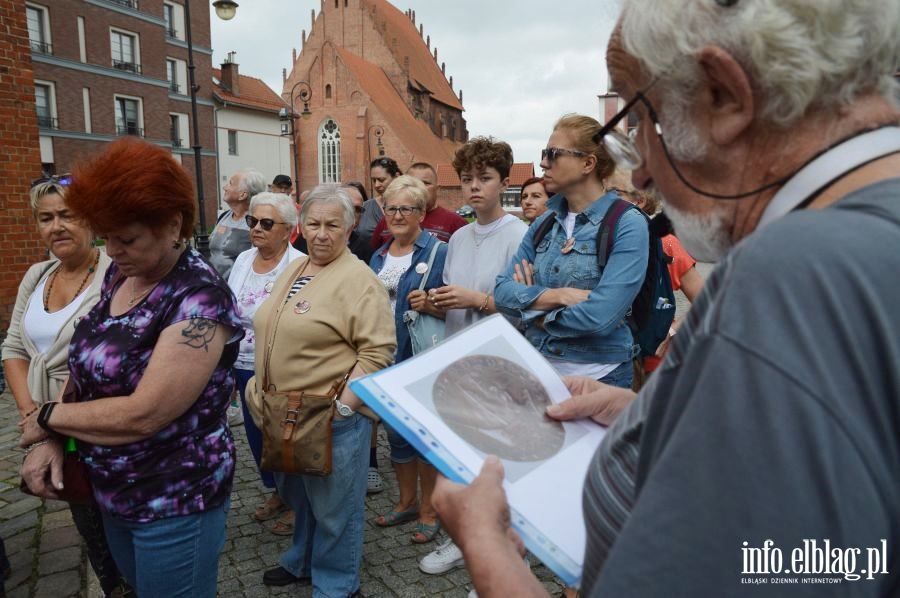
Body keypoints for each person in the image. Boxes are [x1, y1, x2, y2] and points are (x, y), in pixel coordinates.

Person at [434, 0, 900, 595]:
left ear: (725, 95)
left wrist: (486, 545)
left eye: (637, 119)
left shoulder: (787, 278)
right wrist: (661, 421)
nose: (643, 172)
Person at [18, 138, 242, 597]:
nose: (112, 250)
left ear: (173, 223)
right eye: (106, 236)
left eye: (127, 238)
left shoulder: (199, 297)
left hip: (175, 497)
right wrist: (55, 438)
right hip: (112, 490)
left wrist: (45, 418)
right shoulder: (125, 274)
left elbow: (147, 412)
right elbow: (83, 368)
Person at [247, 184, 395, 596]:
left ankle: (337, 584)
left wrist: (343, 409)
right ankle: (303, 562)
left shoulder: (359, 279)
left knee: (336, 510)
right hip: (285, 412)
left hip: (328, 416)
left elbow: (378, 353)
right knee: (304, 500)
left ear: (349, 230)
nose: (322, 233)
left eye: (333, 225)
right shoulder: (298, 268)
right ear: (301, 228)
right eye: (314, 224)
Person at [2, 176, 130, 597]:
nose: (56, 226)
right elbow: (14, 346)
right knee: (87, 521)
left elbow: (107, 360)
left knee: (116, 522)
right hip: (48, 419)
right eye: (46, 218)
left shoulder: (116, 273)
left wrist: (52, 426)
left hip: (96, 420)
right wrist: (32, 419)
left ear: (91, 220)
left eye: (67, 215)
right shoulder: (38, 274)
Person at [418, 137, 529, 571]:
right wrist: (435, 300)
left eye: (484, 178)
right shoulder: (459, 236)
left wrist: (477, 299)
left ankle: (498, 552)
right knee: (460, 456)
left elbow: (524, 304)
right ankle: (462, 540)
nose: (474, 187)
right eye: (467, 180)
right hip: (457, 358)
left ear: (503, 182)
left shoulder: (520, 235)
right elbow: (451, 291)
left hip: (502, 363)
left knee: (496, 464)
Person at [495, 114, 649, 390]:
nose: (543, 162)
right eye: (545, 153)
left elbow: (600, 316)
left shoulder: (627, 223)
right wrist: (558, 296)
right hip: (539, 370)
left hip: (601, 378)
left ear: (588, 163)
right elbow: (502, 293)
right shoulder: (545, 223)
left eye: (553, 154)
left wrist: (535, 314)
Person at [368, 175, 447, 542]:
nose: (397, 215)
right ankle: (406, 502)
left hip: (420, 354)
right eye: (391, 208)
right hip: (384, 353)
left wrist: (432, 303)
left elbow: (455, 306)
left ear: (421, 212)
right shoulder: (378, 253)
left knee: (425, 435)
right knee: (397, 434)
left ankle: (431, 511)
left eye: (406, 208)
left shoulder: (437, 251)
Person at [227, 192, 304, 538]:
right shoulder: (243, 259)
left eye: (266, 223)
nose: (256, 228)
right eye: (252, 221)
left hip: (280, 366)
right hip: (241, 362)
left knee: (284, 439)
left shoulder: (299, 265)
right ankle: (278, 493)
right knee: (258, 438)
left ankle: (298, 504)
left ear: (287, 229)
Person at [619, 187, 704, 376]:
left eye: (616, 193)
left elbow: (708, 299)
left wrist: (672, 330)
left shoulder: (665, 242)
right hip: (608, 358)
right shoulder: (601, 237)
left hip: (651, 358)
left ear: (639, 201)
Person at [370, 162, 468, 248]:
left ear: (437, 188)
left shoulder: (456, 223)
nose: (420, 188)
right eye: (413, 183)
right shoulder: (389, 221)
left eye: (426, 183)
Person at [210, 168, 266, 279]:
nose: (224, 187)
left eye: (230, 184)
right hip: (214, 286)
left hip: (237, 289)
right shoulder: (223, 217)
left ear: (242, 195)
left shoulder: (256, 223)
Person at [357, 156, 402, 247]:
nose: (376, 185)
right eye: (374, 180)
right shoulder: (365, 207)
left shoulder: (409, 207)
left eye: (381, 180)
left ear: (396, 177)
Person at [343, 182, 376, 264]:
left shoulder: (366, 250)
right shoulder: (314, 240)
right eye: (348, 206)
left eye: (358, 209)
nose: (352, 212)